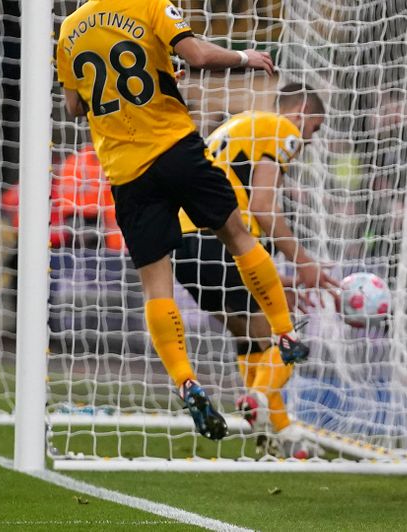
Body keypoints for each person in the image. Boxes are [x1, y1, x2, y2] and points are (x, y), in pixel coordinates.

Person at [56, 0, 308, 441]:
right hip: (174, 148)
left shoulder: (69, 31)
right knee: (236, 233)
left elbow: (75, 107)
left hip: (126, 172)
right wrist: (246, 58)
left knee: (156, 284)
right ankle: (285, 334)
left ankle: (186, 381)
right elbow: (197, 55)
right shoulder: (148, 4)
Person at [174, 84, 337, 456]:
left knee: (252, 338)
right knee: (285, 337)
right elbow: (263, 208)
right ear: (300, 112)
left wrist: (286, 276)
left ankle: (279, 436)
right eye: (313, 129)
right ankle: (261, 403)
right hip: (221, 241)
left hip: (186, 247)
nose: (308, 140)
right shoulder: (283, 128)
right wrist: (305, 262)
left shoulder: (239, 126)